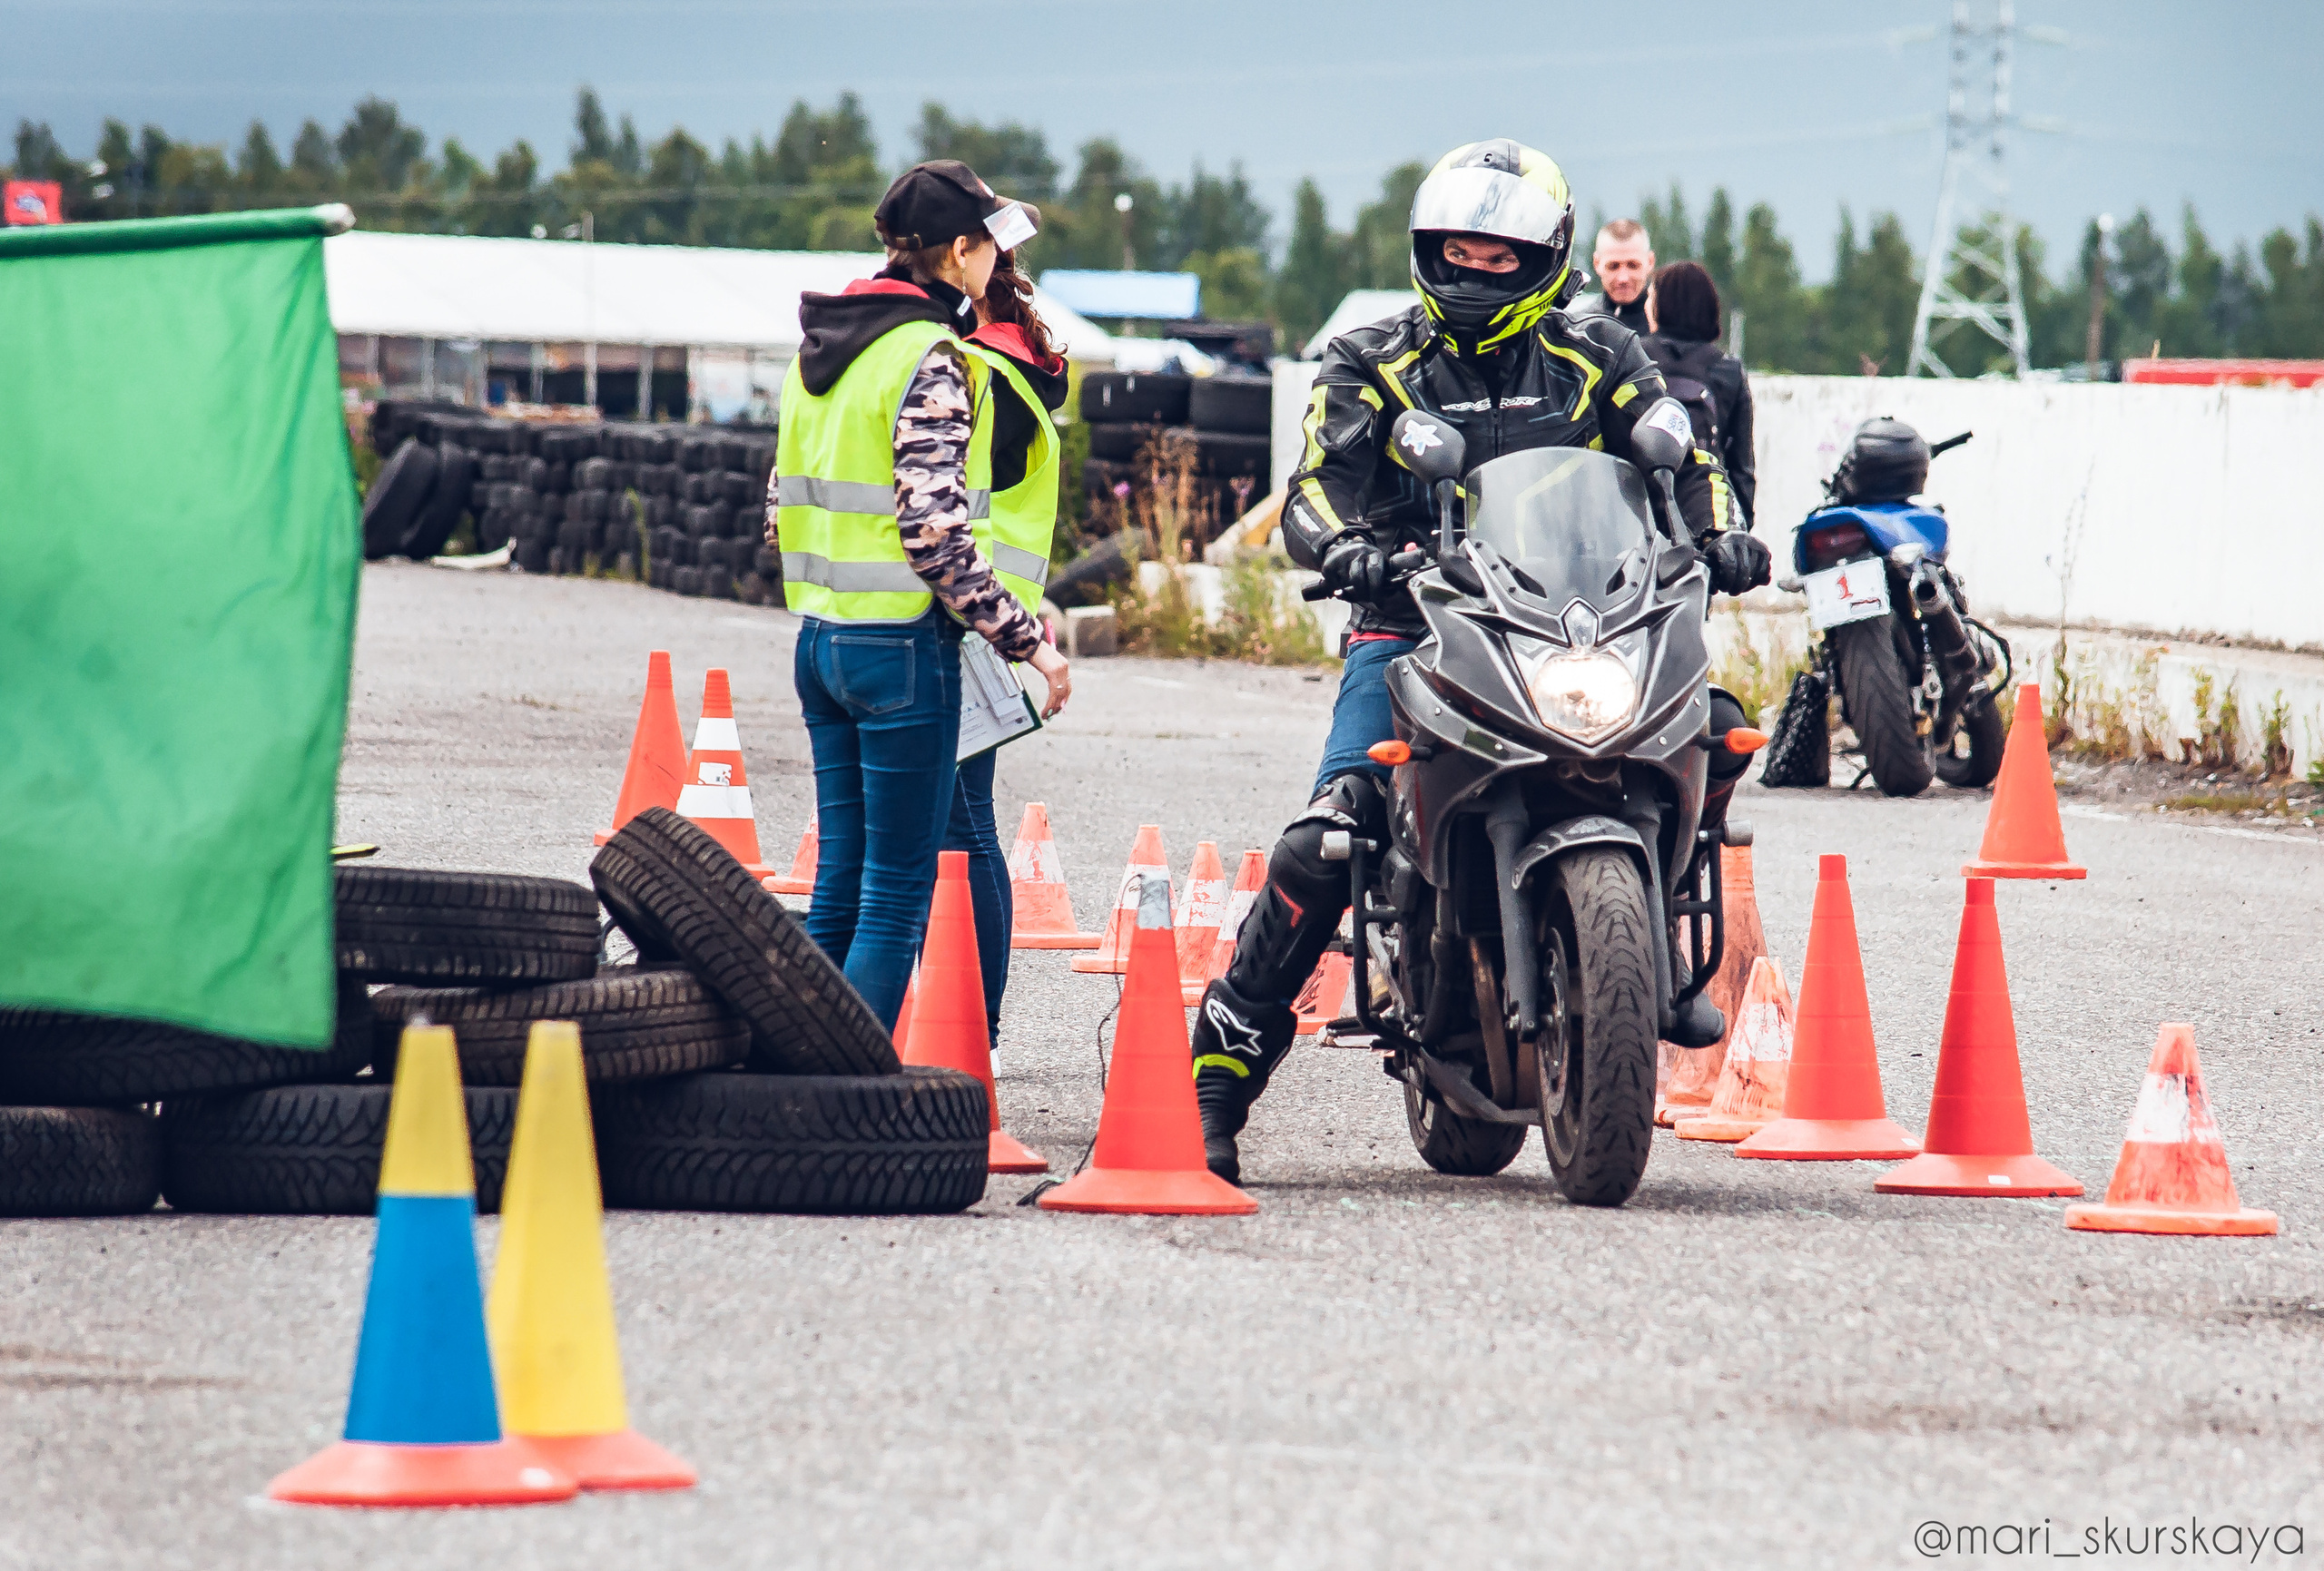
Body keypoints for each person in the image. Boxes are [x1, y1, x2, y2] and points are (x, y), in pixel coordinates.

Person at [1186, 139, 1769, 1183]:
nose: (1474, 268)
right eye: (1457, 248)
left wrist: (1721, 534)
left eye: (1499, 255)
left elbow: (1692, 462)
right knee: (1333, 831)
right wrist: (1345, 545)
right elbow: (1316, 485)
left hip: (1584, 619)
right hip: (1415, 622)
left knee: (1713, 728)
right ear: (1423, 249)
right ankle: (1216, 1079)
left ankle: (1660, 944)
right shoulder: (1373, 359)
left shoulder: (1602, 358)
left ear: (1546, 257)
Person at [771, 159, 1071, 1032]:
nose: (995, 266)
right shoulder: (928, 355)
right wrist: (1030, 641)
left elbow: (775, 506)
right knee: (898, 892)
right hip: (902, 648)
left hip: (820, 640)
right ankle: (847, 1095)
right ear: (961, 251)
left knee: (840, 885)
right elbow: (934, 535)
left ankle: (796, 1079)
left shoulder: (820, 354)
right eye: (988, 247)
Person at [943, 247, 1071, 1051]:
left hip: (969, 617)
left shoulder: (980, 372)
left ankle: (970, 1020)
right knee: (968, 820)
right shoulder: (1020, 365)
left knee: (961, 826)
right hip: (997, 616)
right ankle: (969, 1015)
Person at [1641, 260, 1757, 525]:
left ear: (1662, 304)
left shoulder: (1634, 356)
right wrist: (1740, 530)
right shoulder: (1728, 370)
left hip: (1641, 517)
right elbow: (1742, 469)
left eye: (1651, 296)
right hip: (1706, 514)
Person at [1571, 217, 1654, 333]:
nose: (1623, 278)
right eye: (1613, 266)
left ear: (1650, 262)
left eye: (1633, 265)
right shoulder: (1577, 330)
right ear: (1597, 263)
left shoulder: (1674, 330)